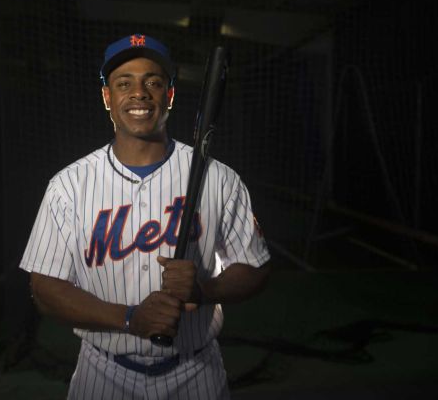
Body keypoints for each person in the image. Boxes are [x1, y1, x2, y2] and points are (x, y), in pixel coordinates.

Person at [19, 33, 271, 399]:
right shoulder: (68, 186)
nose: (139, 93)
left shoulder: (219, 178)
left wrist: (204, 290)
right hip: (102, 373)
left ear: (169, 96)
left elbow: (256, 269)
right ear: (108, 97)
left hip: (195, 372)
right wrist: (128, 318)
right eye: (124, 83)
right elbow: (45, 289)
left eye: (153, 82)